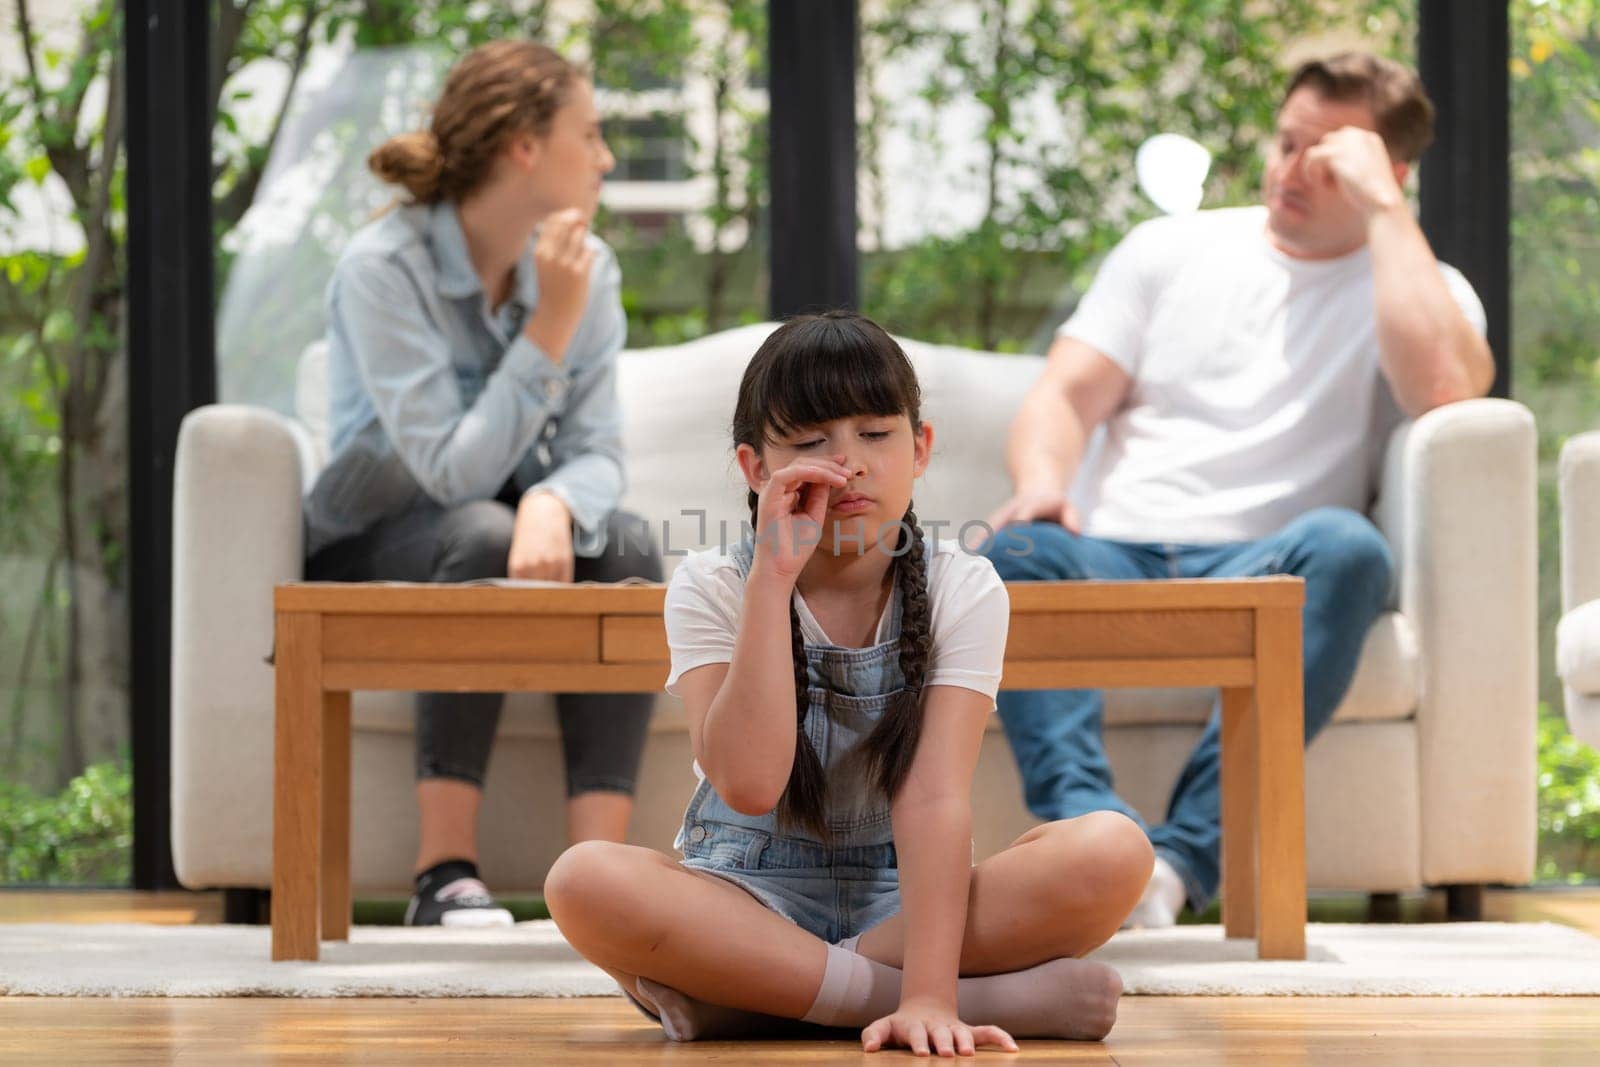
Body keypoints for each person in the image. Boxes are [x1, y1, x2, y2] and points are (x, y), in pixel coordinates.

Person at [544, 312, 1152, 1055]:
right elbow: (749, 784)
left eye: (875, 433)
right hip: (745, 896)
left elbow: (932, 797)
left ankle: (758, 1000)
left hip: (907, 907)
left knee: (1113, 850)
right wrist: (772, 580)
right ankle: (954, 997)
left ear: (920, 447)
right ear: (754, 469)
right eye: (808, 442)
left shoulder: (967, 585)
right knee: (584, 880)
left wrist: (932, 991)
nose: (848, 463)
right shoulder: (711, 583)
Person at [983, 52, 1495, 929]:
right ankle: (1092, 839)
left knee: (1350, 548)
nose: (1289, 170)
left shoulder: (1421, 287)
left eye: (1324, 157)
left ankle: (1177, 865)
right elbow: (1064, 395)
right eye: (1285, 142)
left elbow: (1448, 391)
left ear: (1389, 171)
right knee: (1015, 548)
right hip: (1117, 550)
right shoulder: (1169, 250)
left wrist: (1382, 208)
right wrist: (1042, 485)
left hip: (1272, 567)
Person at [301, 40, 662, 927]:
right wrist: (550, 325)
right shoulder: (385, 271)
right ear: (524, 147)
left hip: (499, 518)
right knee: (476, 527)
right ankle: (442, 872)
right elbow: (450, 468)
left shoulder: (590, 266)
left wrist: (553, 498)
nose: (607, 158)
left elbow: (598, 448)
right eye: (592, 133)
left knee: (630, 540)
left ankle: (600, 879)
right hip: (373, 541)